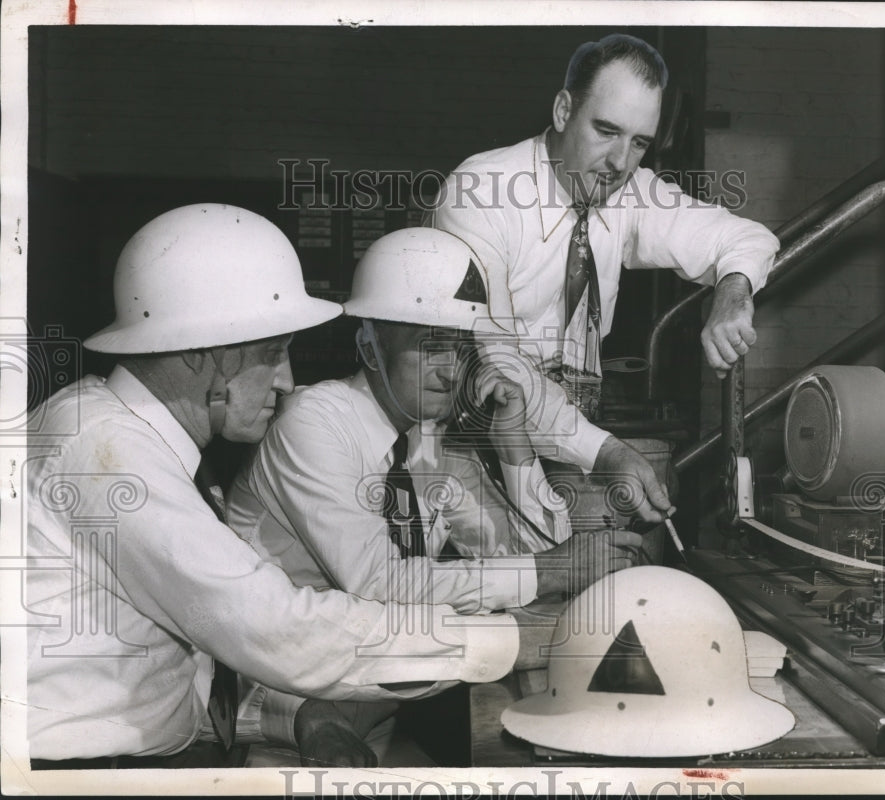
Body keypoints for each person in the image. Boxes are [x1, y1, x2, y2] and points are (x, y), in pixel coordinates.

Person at [23, 204, 565, 771]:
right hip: (75, 774)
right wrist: (506, 642)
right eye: (270, 354)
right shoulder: (108, 453)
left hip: (155, 757)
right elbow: (275, 628)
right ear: (199, 348)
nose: (286, 381)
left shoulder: (127, 438)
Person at [425, 33, 779, 523]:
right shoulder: (481, 194)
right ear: (564, 110)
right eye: (606, 130)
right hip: (461, 450)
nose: (619, 162)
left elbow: (747, 237)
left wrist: (732, 289)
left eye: (639, 143)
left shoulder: (629, 193)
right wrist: (608, 453)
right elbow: (499, 366)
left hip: (566, 441)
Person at [226, 226, 642, 615]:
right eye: (431, 348)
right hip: (295, 685)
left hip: (390, 673)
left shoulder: (428, 442)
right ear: (370, 349)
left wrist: (512, 441)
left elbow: (537, 554)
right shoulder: (312, 425)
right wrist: (552, 569)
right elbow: (376, 583)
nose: (451, 370)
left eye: (461, 350)